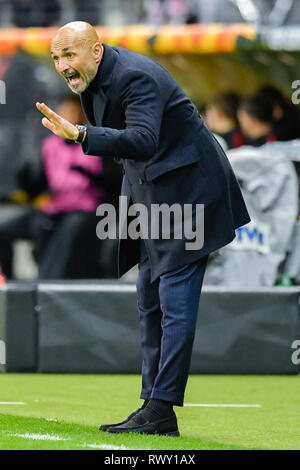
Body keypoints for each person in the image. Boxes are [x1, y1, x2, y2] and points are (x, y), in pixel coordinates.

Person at [36, 21, 250, 436]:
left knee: (174, 300)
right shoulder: (92, 79)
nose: (62, 64)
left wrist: (80, 134)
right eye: (56, 57)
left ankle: (162, 405)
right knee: (149, 298)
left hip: (192, 194)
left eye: (69, 55)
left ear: (95, 51)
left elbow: (142, 140)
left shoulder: (136, 76)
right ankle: (155, 407)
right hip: (152, 194)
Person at [0, 95, 104, 279]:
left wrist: (83, 172)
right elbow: (37, 187)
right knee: (7, 229)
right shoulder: (50, 146)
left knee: (69, 229)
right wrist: (25, 176)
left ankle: (49, 282)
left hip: (85, 210)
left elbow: (109, 181)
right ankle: (11, 284)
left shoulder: (95, 142)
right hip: (55, 207)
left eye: (72, 112)